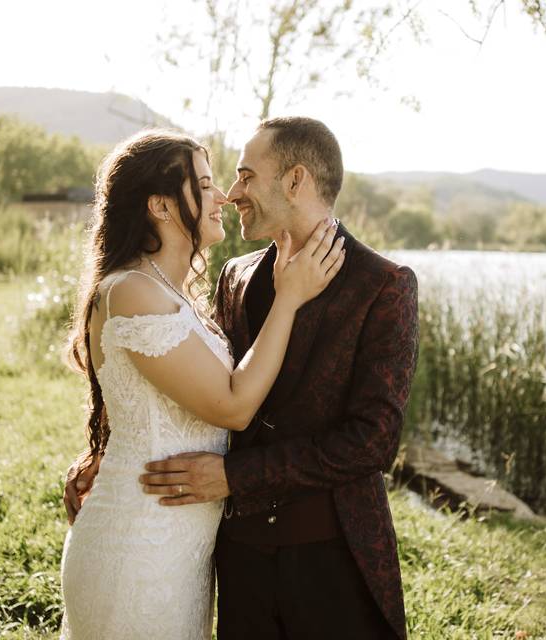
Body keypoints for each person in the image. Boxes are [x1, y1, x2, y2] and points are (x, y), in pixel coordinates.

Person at [68, 117, 418, 639]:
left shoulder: (383, 284)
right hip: (236, 558)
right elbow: (181, 382)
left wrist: (236, 476)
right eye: (216, 182)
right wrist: (111, 447)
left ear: (295, 181)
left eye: (245, 177)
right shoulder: (236, 275)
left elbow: (372, 442)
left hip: (330, 557)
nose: (231, 195)